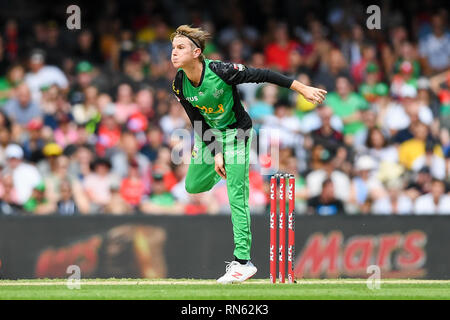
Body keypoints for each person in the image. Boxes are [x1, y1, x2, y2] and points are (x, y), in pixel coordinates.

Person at [170, 25, 326, 284]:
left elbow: (263, 74)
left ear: (197, 52)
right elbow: (196, 118)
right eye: (173, 48)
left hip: (238, 134)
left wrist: (302, 88)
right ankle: (228, 168)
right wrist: (216, 153)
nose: (174, 53)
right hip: (210, 136)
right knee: (193, 186)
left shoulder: (220, 71)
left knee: (236, 196)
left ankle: (243, 262)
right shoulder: (179, 83)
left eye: (181, 48)